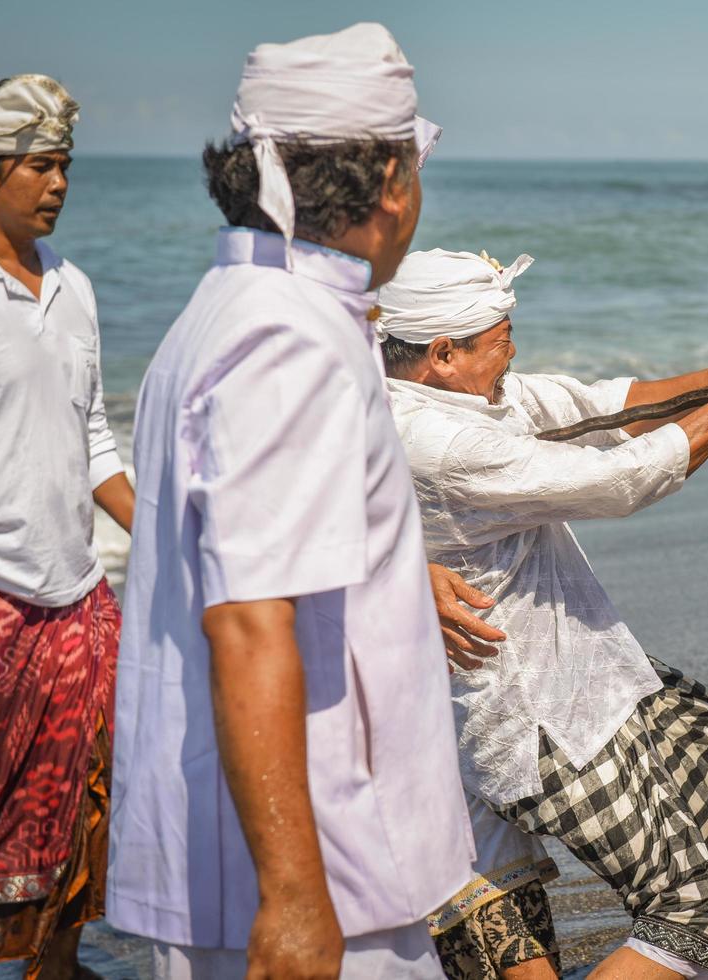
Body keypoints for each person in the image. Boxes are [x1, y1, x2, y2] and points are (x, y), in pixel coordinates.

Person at [107, 24, 474, 980]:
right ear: (392, 182)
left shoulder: (236, 305)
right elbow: (249, 621)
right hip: (317, 872)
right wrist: (297, 894)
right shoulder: (290, 335)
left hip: (277, 860)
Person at [378, 248, 708, 979]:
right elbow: (616, 481)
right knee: (681, 916)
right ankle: (684, 923)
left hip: (576, 668)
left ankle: (693, 909)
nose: (513, 352)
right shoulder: (439, 440)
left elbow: (603, 409)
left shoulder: (459, 397)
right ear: (441, 353)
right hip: (525, 713)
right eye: (501, 340)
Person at [0, 75, 136, 979]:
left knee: (86, 811)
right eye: (40, 167)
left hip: (77, 599)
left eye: (65, 168)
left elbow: (91, 436)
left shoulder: (76, 289)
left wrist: (164, 532)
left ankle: (54, 969)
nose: (58, 184)